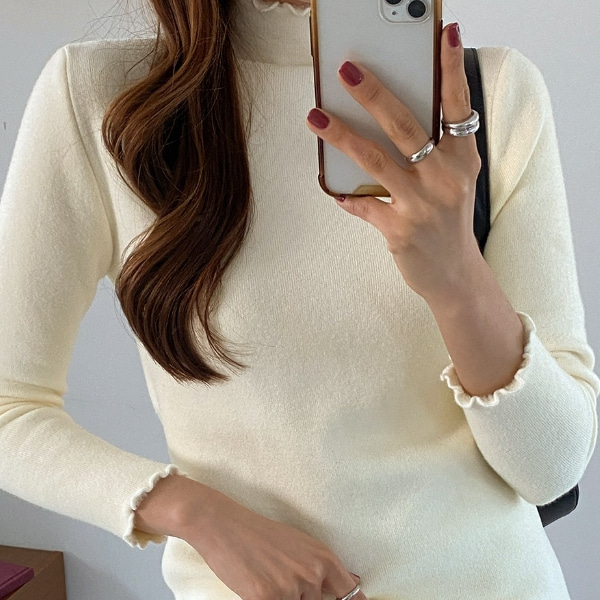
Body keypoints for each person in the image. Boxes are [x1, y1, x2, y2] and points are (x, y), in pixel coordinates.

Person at [0, 0, 598, 598]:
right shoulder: (102, 98)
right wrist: (190, 511)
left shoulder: (488, 96)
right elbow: (10, 407)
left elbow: (551, 469)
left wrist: (457, 277)